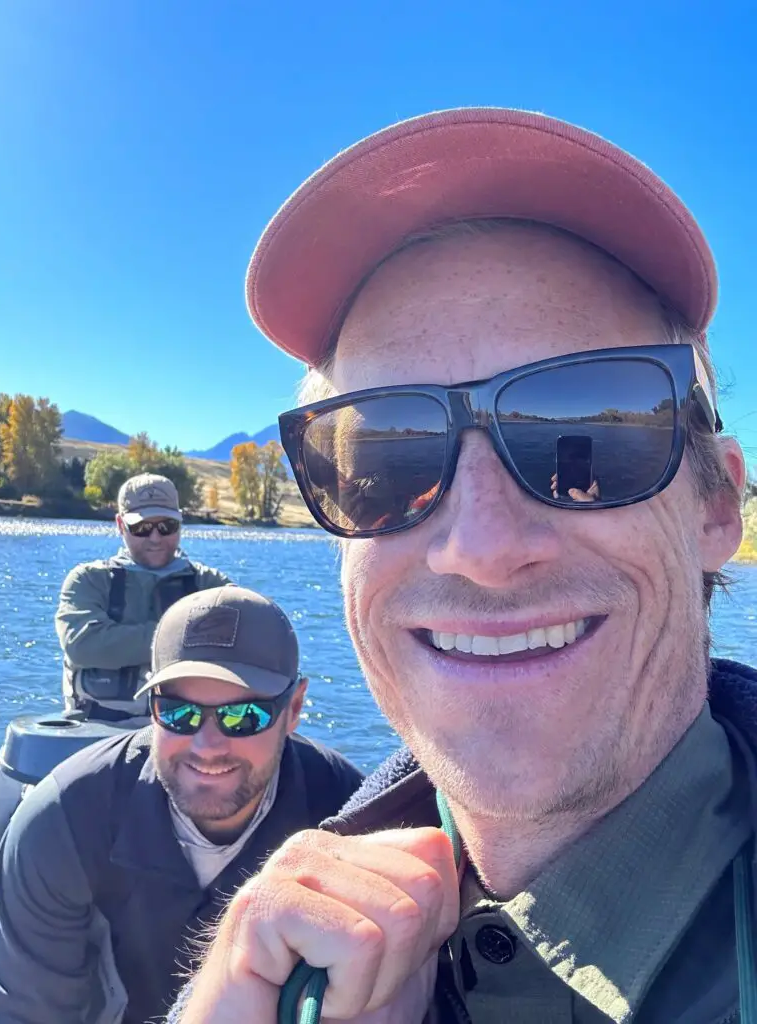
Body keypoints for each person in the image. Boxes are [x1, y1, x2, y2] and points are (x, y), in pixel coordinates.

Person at [168, 108, 757, 1024]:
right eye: (389, 466)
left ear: (715, 506)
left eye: (588, 442)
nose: (480, 549)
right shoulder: (288, 968)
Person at [0, 585, 363, 1024]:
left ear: (294, 708)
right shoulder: (64, 822)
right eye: (178, 712)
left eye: (244, 716)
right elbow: (28, 1012)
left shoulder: (345, 818)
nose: (207, 746)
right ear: (150, 709)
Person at [56, 472, 231, 720]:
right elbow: (83, 646)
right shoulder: (88, 580)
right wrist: (191, 635)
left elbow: (241, 639)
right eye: (142, 528)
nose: (155, 538)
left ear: (180, 524)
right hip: (98, 727)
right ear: (120, 525)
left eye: (166, 527)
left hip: (187, 730)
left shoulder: (212, 585)